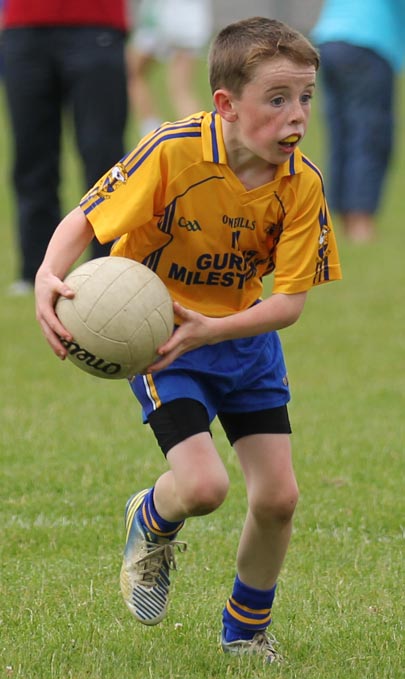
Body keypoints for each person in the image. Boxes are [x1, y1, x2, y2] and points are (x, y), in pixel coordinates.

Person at [35, 17, 342, 663]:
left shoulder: (301, 183)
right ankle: (150, 517)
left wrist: (217, 328)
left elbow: (286, 302)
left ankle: (244, 631)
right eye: (277, 99)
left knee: (278, 497)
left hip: (242, 338)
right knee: (203, 489)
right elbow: (85, 216)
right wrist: (46, 275)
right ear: (226, 104)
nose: (296, 115)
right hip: (163, 342)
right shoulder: (173, 152)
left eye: (305, 98)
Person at [2, 0, 129, 295]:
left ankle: (109, 267)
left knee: (103, 157)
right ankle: (37, 269)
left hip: (95, 23)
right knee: (31, 157)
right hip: (24, 27)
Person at [311, 0, 405, 242]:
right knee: (370, 136)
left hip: (328, 41)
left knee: (341, 135)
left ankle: (337, 226)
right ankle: (361, 227)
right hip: (369, 42)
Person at [127, 0, 212, 137]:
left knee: (133, 72)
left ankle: (152, 132)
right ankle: (199, 139)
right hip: (193, 16)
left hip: (163, 14)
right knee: (181, 87)